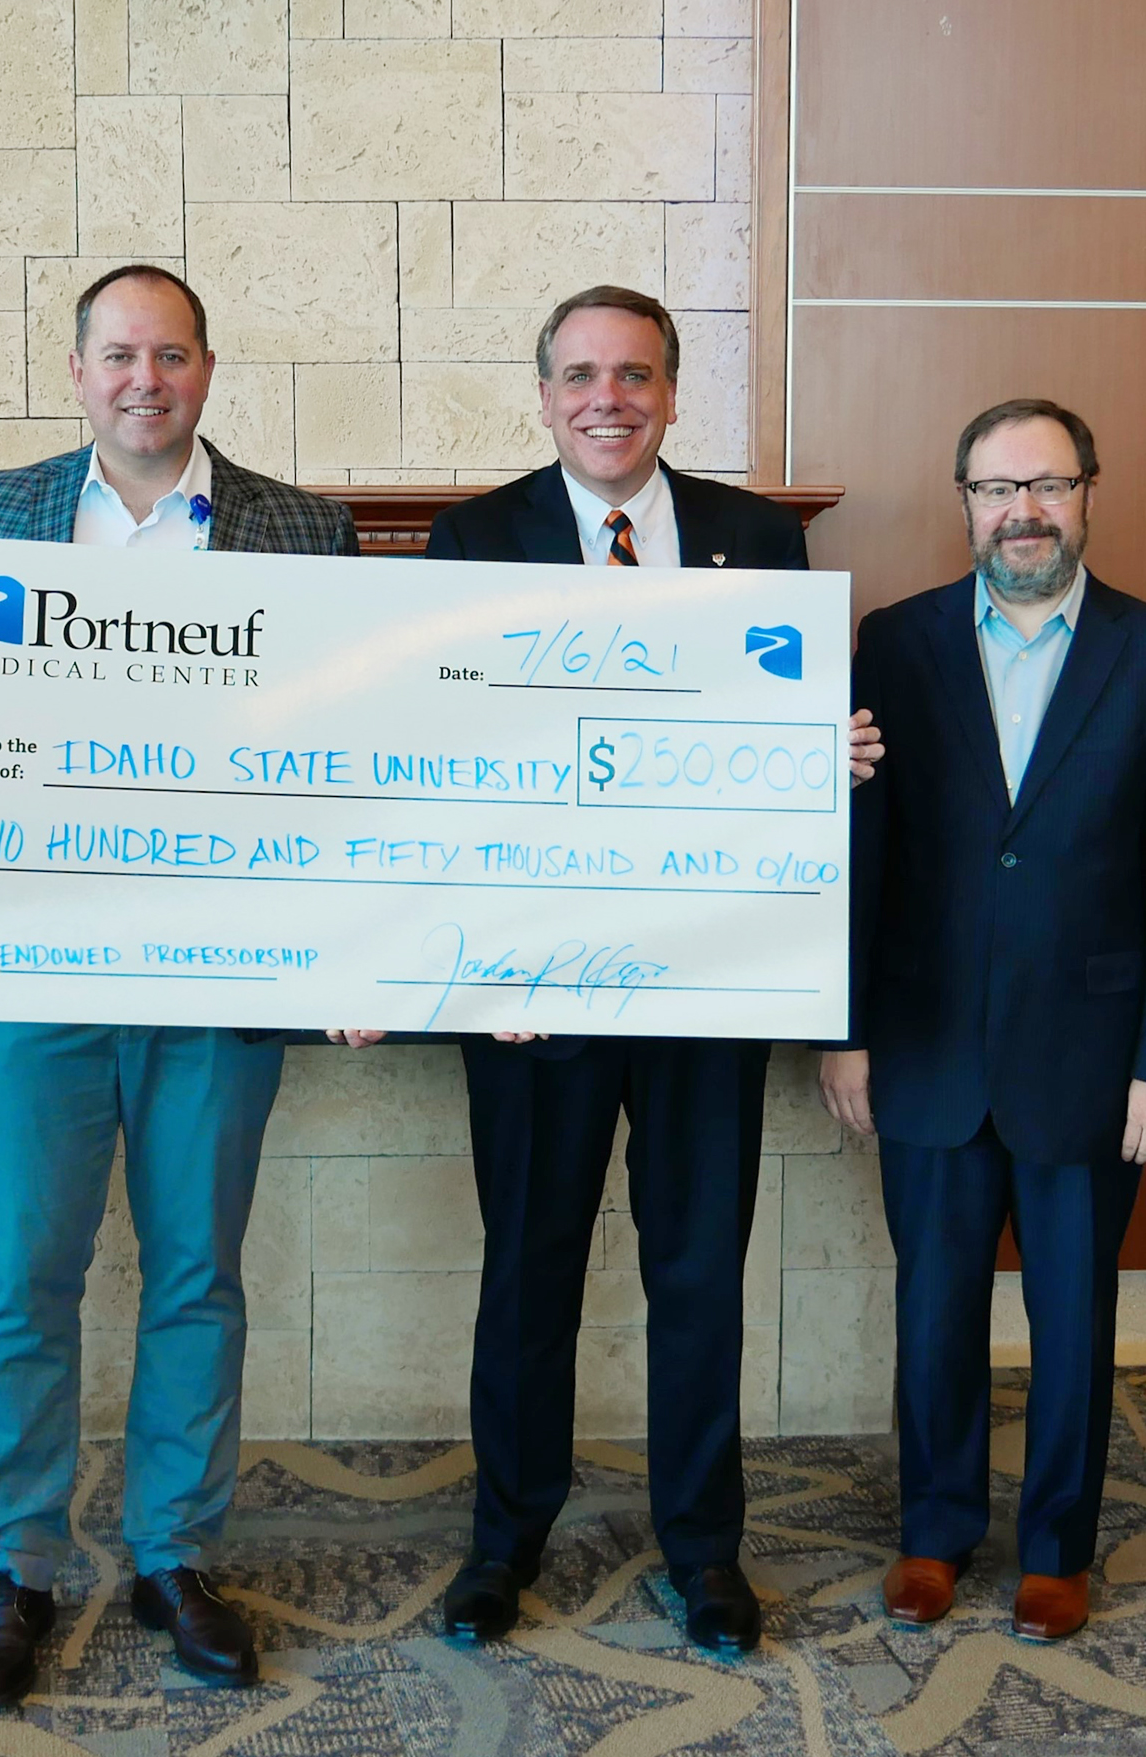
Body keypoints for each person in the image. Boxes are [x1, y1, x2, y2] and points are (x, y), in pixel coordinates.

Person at [397, 285, 875, 1654]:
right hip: (531, 1004)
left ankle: (706, 1551)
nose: (609, 398)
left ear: (673, 393)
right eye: (582, 376)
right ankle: (504, 1542)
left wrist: (818, 758)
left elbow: (771, 754)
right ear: (543, 396)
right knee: (528, 1274)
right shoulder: (470, 541)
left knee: (698, 1276)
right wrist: (478, 967)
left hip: (707, 989)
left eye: (637, 375)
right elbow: (440, 769)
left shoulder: (755, 539)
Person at [0, 264, 358, 1708]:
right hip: (35, 963)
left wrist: (354, 934)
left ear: (208, 371)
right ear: (76, 370)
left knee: (195, 1274)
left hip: (218, 966)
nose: (144, 380)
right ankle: (18, 1564)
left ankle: (175, 1551)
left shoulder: (300, 525)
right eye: (118, 355)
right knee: (22, 1278)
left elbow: (351, 742)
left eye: (170, 355)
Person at [818, 398, 1146, 1644]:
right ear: (966, 504)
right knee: (933, 1304)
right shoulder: (893, 641)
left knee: (1073, 1311)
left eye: (1047, 484)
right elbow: (860, 851)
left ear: (1091, 492)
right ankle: (933, 1532)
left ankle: (1058, 1544)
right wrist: (846, 1028)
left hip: (1093, 1059)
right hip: (927, 1044)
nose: (1024, 511)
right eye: (998, 489)